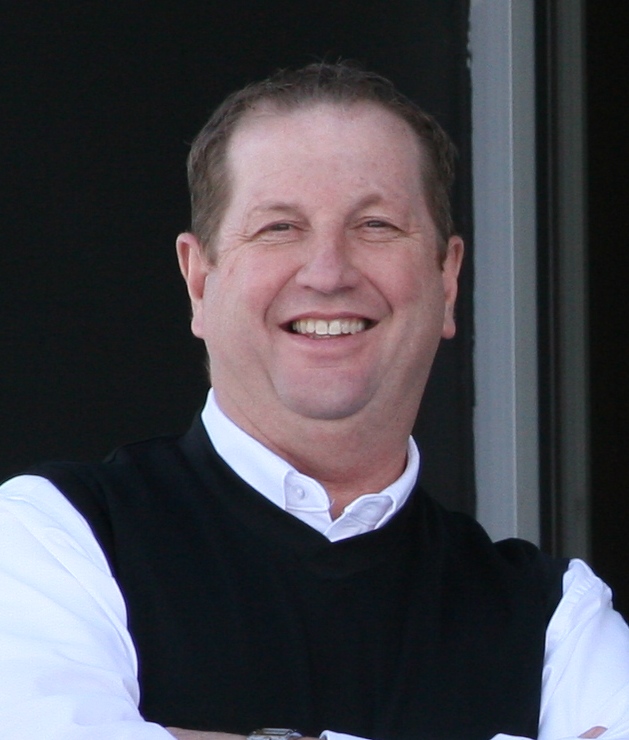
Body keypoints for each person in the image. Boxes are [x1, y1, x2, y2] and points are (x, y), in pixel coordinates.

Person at [0, 62, 627, 740]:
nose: (328, 272)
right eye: (279, 228)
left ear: (447, 281)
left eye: (376, 225)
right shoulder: (49, 540)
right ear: (199, 280)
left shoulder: (557, 617)